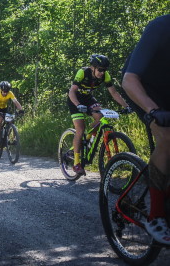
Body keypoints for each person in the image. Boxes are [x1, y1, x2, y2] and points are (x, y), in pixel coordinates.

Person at [122, 14, 170, 245]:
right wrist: (153, 111)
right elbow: (129, 80)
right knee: (167, 137)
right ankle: (156, 215)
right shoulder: (161, 27)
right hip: (143, 88)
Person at [67, 54, 131, 176]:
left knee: (100, 117)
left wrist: (126, 106)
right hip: (75, 99)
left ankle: (87, 139)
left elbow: (114, 92)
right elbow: (72, 91)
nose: (102, 72)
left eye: (104, 70)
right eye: (100, 69)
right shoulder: (83, 72)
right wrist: (78, 104)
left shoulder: (105, 75)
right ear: (93, 67)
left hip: (88, 98)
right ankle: (76, 163)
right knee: (80, 129)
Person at [0, 81, 24, 146]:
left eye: (6, 92)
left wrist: (21, 109)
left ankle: (13, 139)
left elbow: (16, 102)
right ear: (1, 90)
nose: (5, 93)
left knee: (11, 120)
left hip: (4, 108)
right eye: (4, 91)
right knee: (0, 119)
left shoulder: (10, 93)